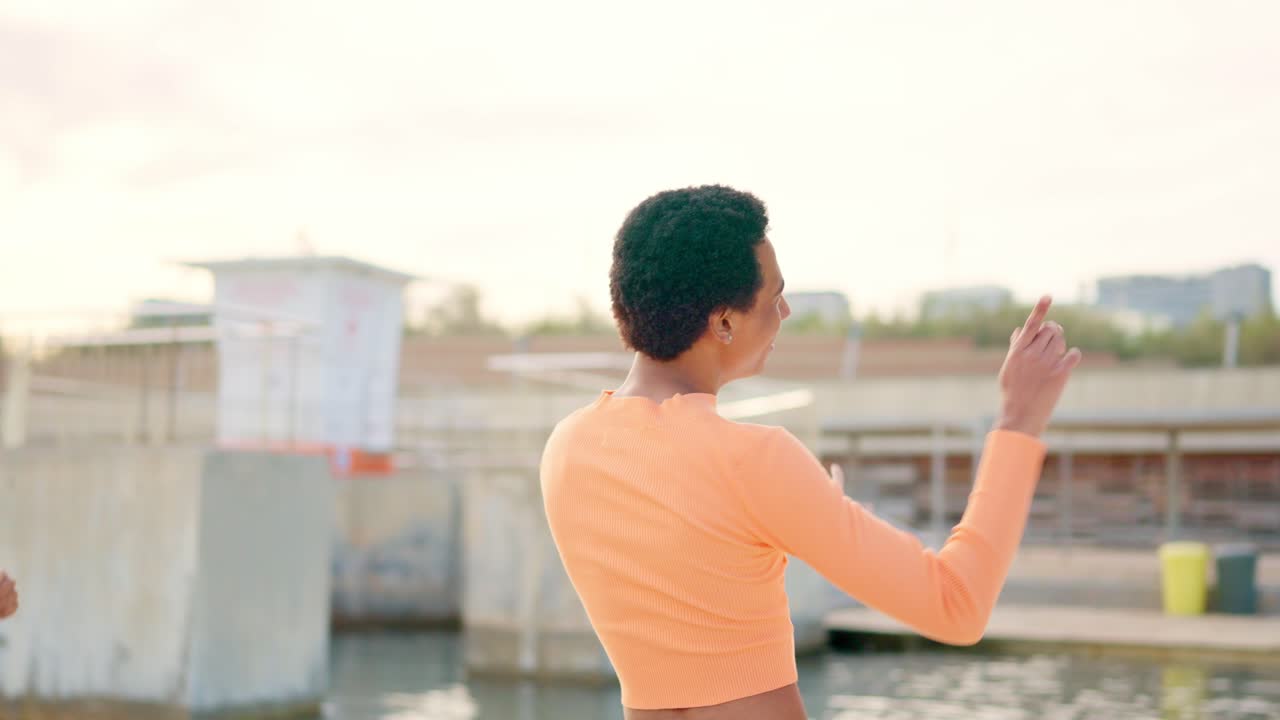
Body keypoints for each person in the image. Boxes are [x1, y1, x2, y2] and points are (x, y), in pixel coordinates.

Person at [540, 185, 1081, 720]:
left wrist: (804, 513)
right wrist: (1019, 420)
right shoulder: (757, 461)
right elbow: (957, 606)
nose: (787, 310)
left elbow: (693, 566)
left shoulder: (566, 448)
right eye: (775, 297)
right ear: (724, 321)